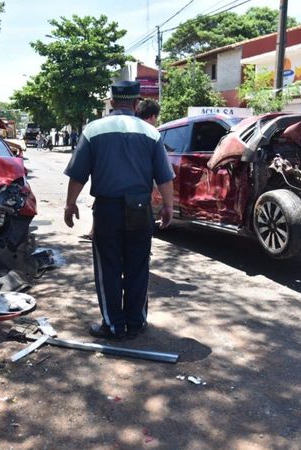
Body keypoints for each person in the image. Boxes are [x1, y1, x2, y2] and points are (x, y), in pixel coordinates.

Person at [63, 80, 174, 340]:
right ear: (136, 104)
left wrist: (70, 204)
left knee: (109, 267)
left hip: (107, 211)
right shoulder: (151, 133)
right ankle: (136, 322)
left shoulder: (93, 130)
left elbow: (78, 174)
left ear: (112, 102)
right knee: (138, 267)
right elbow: (164, 177)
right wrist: (168, 206)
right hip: (140, 209)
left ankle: (113, 325)